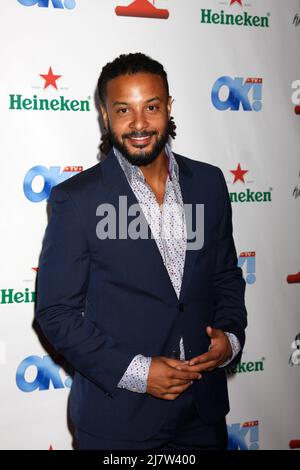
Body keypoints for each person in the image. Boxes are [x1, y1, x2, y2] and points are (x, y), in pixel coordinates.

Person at [35, 52, 247, 450]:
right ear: (105, 116)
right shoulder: (78, 200)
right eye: (123, 110)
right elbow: (56, 313)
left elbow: (226, 276)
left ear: (168, 107)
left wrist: (231, 338)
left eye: (151, 107)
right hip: (120, 421)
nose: (138, 124)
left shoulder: (210, 183)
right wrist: (139, 372)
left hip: (204, 414)